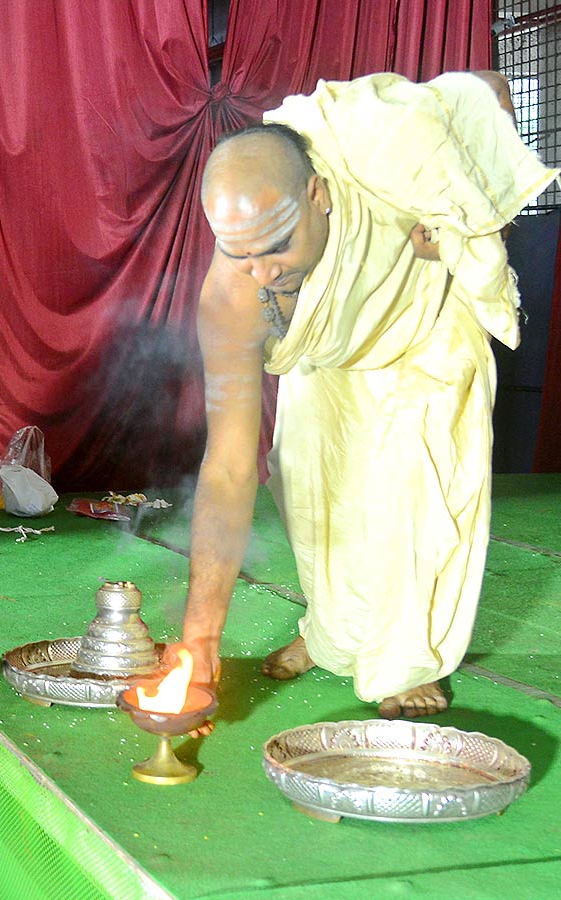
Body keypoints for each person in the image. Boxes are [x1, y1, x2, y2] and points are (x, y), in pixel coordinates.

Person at [175, 71, 557, 720]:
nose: (262, 271)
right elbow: (232, 463)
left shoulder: (383, 138)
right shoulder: (235, 298)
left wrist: (461, 214)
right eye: (243, 256)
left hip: (425, 334)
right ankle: (328, 636)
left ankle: (405, 661)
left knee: (411, 488)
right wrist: (200, 638)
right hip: (328, 360)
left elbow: (487, 88)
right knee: (312, 491)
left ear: (320, 195)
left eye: (276, 247)